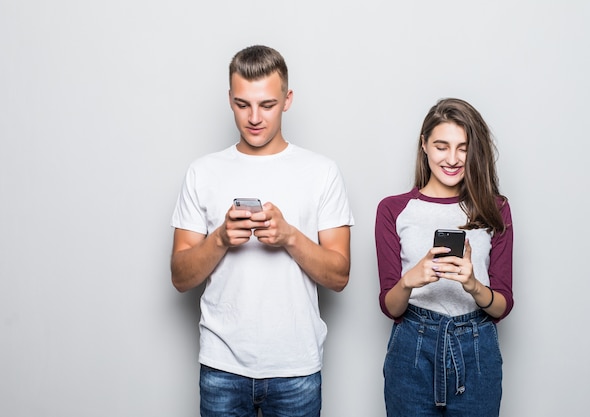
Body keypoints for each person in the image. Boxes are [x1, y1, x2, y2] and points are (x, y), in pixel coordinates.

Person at [170, 45, 353, 417]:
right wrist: (220, 238)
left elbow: (339, 276)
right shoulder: (202, 172)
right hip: (222, 366)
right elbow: (179, 276)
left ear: (287, 100)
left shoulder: (321, 172)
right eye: (242, 104)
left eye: (267, 105)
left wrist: (289, 237)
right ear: (229, 99)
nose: (254, 117)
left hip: (296, 368)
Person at [375, 98, 513, 417]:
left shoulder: (496, 209)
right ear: (424, 145)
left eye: (463, 148)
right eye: (441, 146)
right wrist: (410, 281)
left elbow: (503, 305)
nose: (452, 159)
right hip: (411, 345)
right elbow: (390, 307)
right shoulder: (393, 210)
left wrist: (473, 285)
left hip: (477, 348)